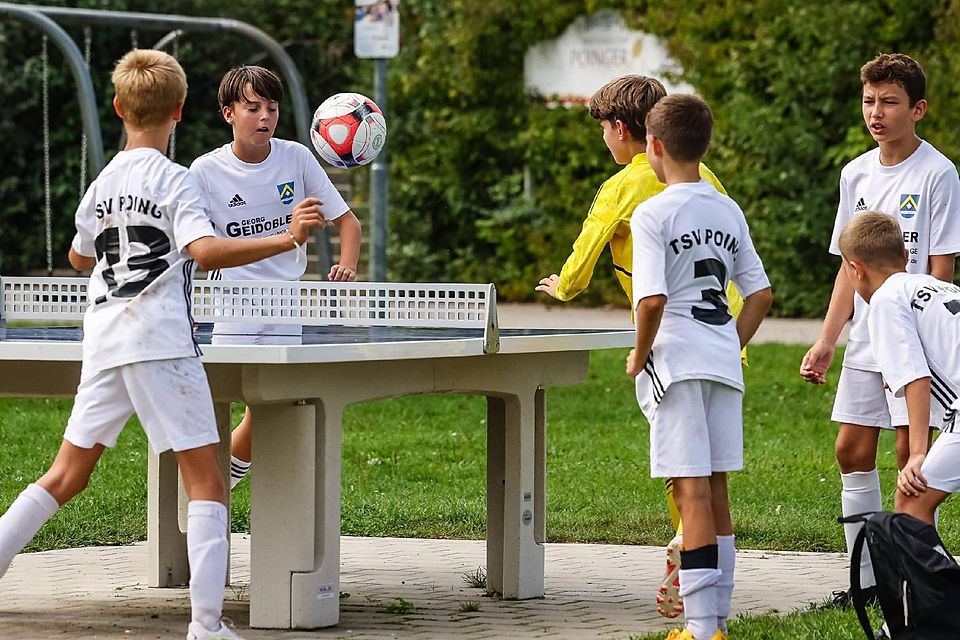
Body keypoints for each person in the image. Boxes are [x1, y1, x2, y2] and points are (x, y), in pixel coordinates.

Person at [0, 49, 326, 639]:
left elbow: (79, 256)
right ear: (179, 111)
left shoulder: (102, 183)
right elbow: (203, 251)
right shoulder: (177, 181)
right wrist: (286, 239)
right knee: (207, 481)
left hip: (103, 339)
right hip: (160, 341)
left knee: (66, 474)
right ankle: (206, 626)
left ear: (120, 107)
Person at [535, 74, 744, 618]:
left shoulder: (624, 189)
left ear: (627, 131)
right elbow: (747, 273)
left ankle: (700, 611)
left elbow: (587, 257)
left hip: (670, 345)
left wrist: (564, 287)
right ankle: (704, 581)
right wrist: (735, 339)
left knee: (686, 476)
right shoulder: (708, 180)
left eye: (604, 128)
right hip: (723, 336)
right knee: (714, 477)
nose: (604, 139)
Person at [799, 53, 960, 602]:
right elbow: (851, 265)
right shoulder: (856, 173)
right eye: (869, 101)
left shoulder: (938, 173)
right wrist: (826, 340)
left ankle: (917, 583)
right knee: (850, 450)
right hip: (867, 339)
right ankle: (864, 582)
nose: (877, 112)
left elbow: (940, 271)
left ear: (918, 109)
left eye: (890, 102)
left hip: (909, 341)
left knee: (907, 459)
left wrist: (919, 343)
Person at [626, 94, 772, 640]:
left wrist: (639, 355)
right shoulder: (725, 207)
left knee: (690, 494)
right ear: (704, 145)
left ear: (654, 147)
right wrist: (727, 342)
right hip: (720, 363)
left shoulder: (653, 212)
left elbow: (653, 301)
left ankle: (701, 629)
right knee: (716, 490)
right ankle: (719, 622)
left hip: (678, 363)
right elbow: (760, 294)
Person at [189, 65, 362, 490]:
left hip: (287, 307)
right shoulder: (204, 172)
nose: (265, 116)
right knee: (223, 405)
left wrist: (349, 264)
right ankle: (209, 483)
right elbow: (198, 253)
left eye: (272, 107)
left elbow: (349, 224)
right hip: (232, 310)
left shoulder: (297, 157)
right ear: (228, 113)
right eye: (252, 108)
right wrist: (184, 306)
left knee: (275, 407)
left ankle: (221, 480)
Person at [836, 212, 960, 524]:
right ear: (905, 256)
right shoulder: (938, 287)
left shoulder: (885, 300)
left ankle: (930, 576)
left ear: (855, 270)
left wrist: (918, 453)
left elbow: (917, 378)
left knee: (910, 499)